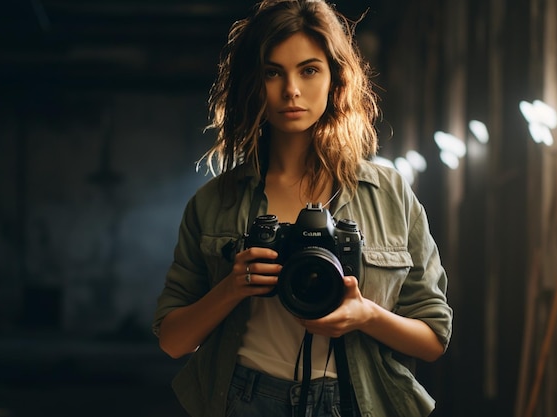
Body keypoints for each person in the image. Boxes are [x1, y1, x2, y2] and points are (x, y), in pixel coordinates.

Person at [153, 0, 453, 416]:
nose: (291, 89)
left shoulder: (387, 193)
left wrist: (365, 315)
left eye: (309, 70)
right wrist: (233, 286)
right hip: (246, 398)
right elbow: (173, 341)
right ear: (252, 84)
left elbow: (434, 337)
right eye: (273, 72)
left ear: (335, 79)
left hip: (353, 400)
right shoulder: (214, 202)